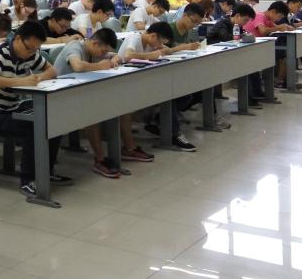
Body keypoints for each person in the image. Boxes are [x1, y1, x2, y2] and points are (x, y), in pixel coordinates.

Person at [0, 21, 71, 196]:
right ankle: (28, 180)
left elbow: (52, 71)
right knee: (34, 126)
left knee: (52, 118)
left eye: (36, 49)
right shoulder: (0, 53)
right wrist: (20, 81)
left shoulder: (30, 53)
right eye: (29, 48)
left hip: (13, 108)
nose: (32, 53)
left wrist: (38, 78)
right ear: (18, 39)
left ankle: (46, 171)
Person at [53, 29, 154, 176]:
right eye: (103, 50)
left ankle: (129, 148)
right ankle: (100, 160)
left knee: (121, 107)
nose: (103, 54)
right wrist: (100, 66)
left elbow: (115, 56)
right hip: (59, 97)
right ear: (95, 43)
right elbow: (78, 66)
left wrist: (114, 59)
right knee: (92, 115)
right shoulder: (75, 46)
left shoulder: (95, 50)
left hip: (81, 93)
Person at [118, 22, 197, 151]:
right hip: (126, 83)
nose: (159, 45)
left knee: (185, 95)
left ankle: (159, 119)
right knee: (169, 95)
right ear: (153, 35)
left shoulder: (152, 42)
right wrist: (151, 55)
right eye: (159, 42)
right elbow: (128, 56)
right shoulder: (135, 38)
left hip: (144, 80)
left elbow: (167, 50)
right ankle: (173, 134)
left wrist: (186, 47)